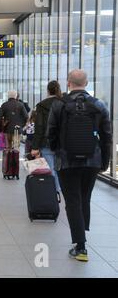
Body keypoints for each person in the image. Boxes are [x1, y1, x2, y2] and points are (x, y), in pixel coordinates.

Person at [47, 69, 112, 262]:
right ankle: (81, 233)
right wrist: (104, 161)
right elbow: (107, 136)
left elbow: (51, 132)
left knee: (73, 200)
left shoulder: (59, 104)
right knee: (85, 197)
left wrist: (56, 150)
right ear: (87, 83)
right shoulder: (99, 105)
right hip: (92, 160)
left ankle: (81, 245)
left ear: (68, 83)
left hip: (67, 160)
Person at [31, 80, 63, 193]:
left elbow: (39, 127)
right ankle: (59, 191)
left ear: (48, 91)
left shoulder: (42, 105)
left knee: (50, 169)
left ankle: (54, 192)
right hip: (62, 143)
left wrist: (35, 146)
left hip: (47, 142)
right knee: (60, 169)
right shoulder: (64, 103)